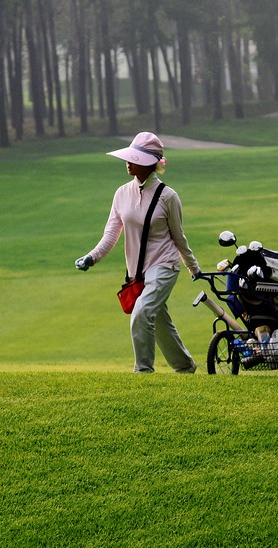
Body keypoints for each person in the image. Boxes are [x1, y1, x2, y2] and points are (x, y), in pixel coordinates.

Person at [75, 132, 201, 373]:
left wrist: (193, 267)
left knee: (142, 313)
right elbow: (111, 234)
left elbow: (178, 236)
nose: (128, 163)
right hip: (137, 272)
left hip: (165, 266)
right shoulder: (121, 194)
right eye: (129, 158)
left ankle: (143, 371)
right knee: (159, 321)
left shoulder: (168, 196)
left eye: (135, 159)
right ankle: (185, 367)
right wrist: (92, 257)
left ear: (149, 163)